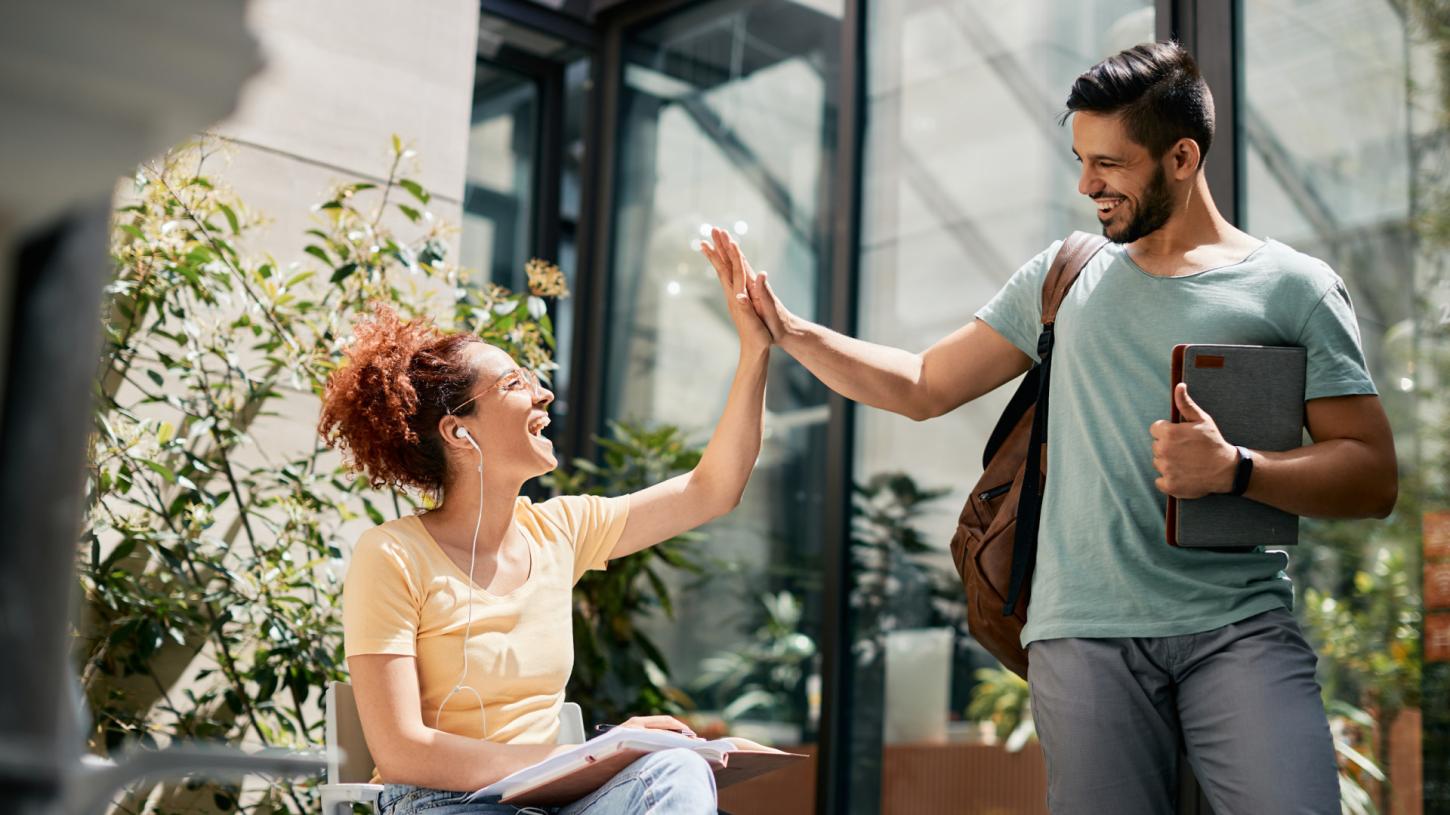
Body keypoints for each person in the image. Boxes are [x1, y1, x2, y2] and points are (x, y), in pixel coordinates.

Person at [727, 41, 1397, 814]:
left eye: (1109, 164)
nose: (1087, 185)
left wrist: (1237, 469)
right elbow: (922, 385)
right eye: (1080, 160)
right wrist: (791, 331)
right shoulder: (1065, 275)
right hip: (1082, 637)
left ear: (1182, 157)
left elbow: (1372, 474)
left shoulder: (1295, 289)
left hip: (1239, 626)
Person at [318, 230, 770, 815]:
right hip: (443, 805)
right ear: (460, 432)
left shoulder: (560, 531)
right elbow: (403, 750)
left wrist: (755, 350)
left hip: (552, 798)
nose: (545, 394)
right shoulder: (393, 555)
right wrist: (590, 756)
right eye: (515, 385)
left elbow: (712, 489)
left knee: (676, 772)